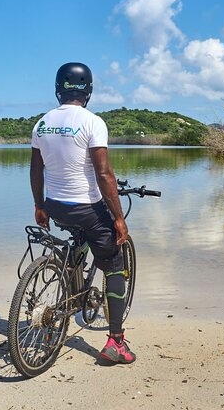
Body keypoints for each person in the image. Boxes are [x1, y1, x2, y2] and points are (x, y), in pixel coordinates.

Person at [29, 62, 135, 364]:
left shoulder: (42, 124)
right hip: (86, 208)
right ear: (87, 91)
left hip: (55, 205)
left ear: (58, 89)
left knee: (79, 235)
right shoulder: (92, 122)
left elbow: (36, 171)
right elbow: (104, 174)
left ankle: (70, 283)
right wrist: (118, 218)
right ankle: (116, 342)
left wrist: (39, 205)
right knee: (114, 262)